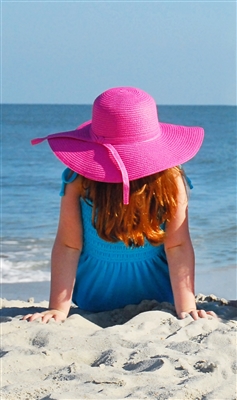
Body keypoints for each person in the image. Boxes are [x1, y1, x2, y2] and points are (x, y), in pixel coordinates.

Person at [24, 87, 216, 323]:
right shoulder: (172, 179)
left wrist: (58, 309)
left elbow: (68, 246)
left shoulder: (78, 179)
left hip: (93, 297)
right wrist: (186, 308)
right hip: (159, 294)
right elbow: (177, 246)